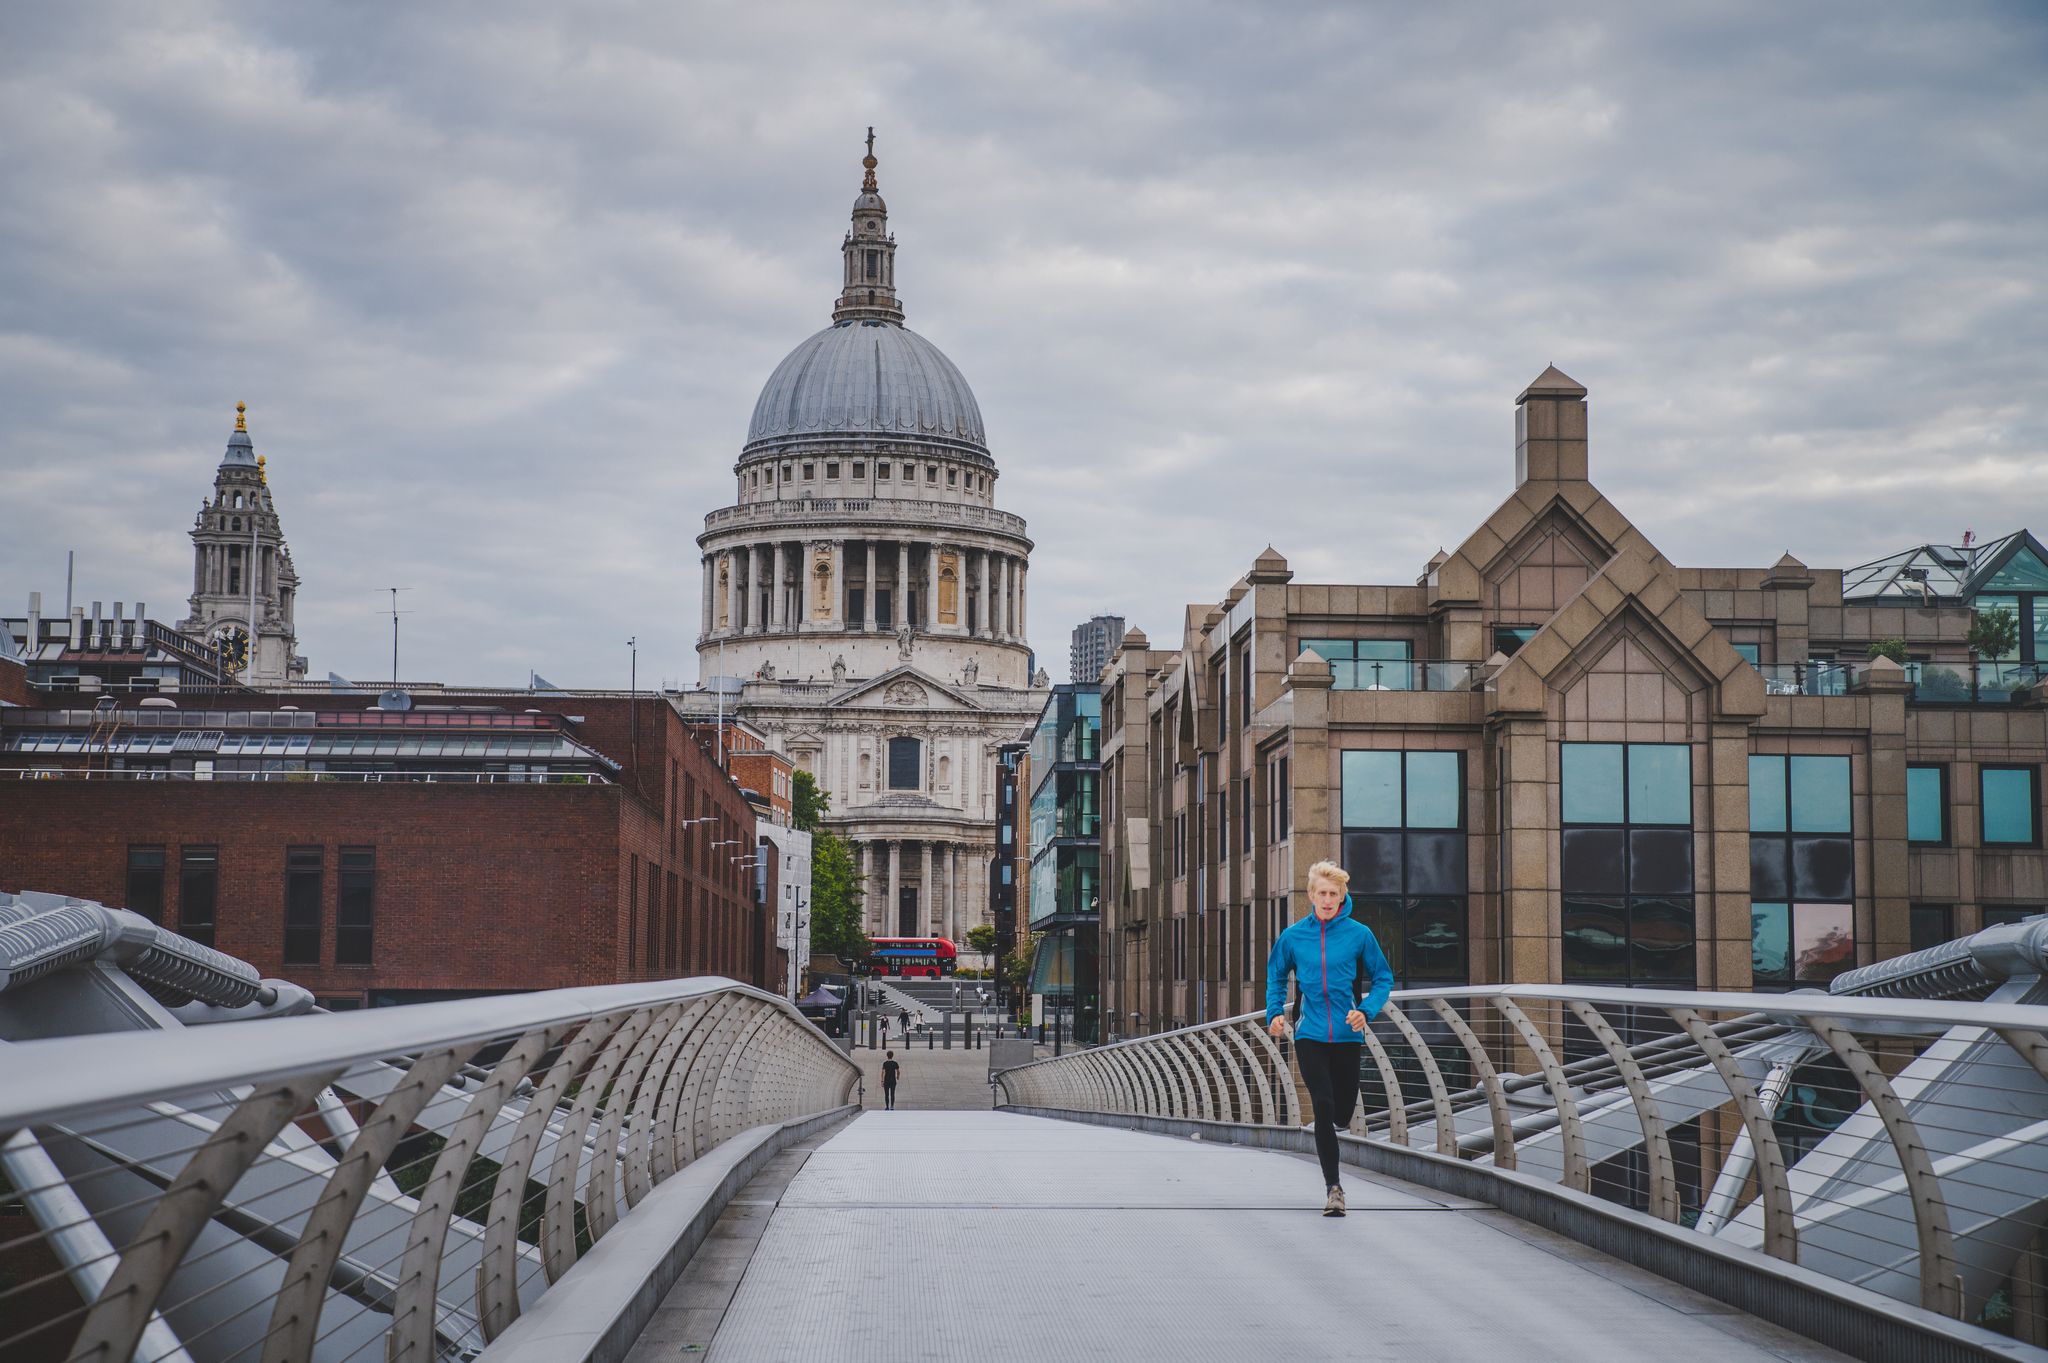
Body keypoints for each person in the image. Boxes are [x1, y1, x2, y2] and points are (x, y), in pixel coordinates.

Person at [1266, 859, 1393, 1217]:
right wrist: (1274, 1013)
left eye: (1333, 894)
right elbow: (1275, 977)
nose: (1327, 899)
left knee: (1342, 1110)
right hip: (1310, 1034)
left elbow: (1383, 978)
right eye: (1321, 893)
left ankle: (1336, 1130)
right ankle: (1333, 1188)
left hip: (1348, 1035)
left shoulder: (1359, 935)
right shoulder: (1293, 937)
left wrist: (1365, 1011)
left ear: (1342, 897)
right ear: (1311, 895)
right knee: (1321, 1104)